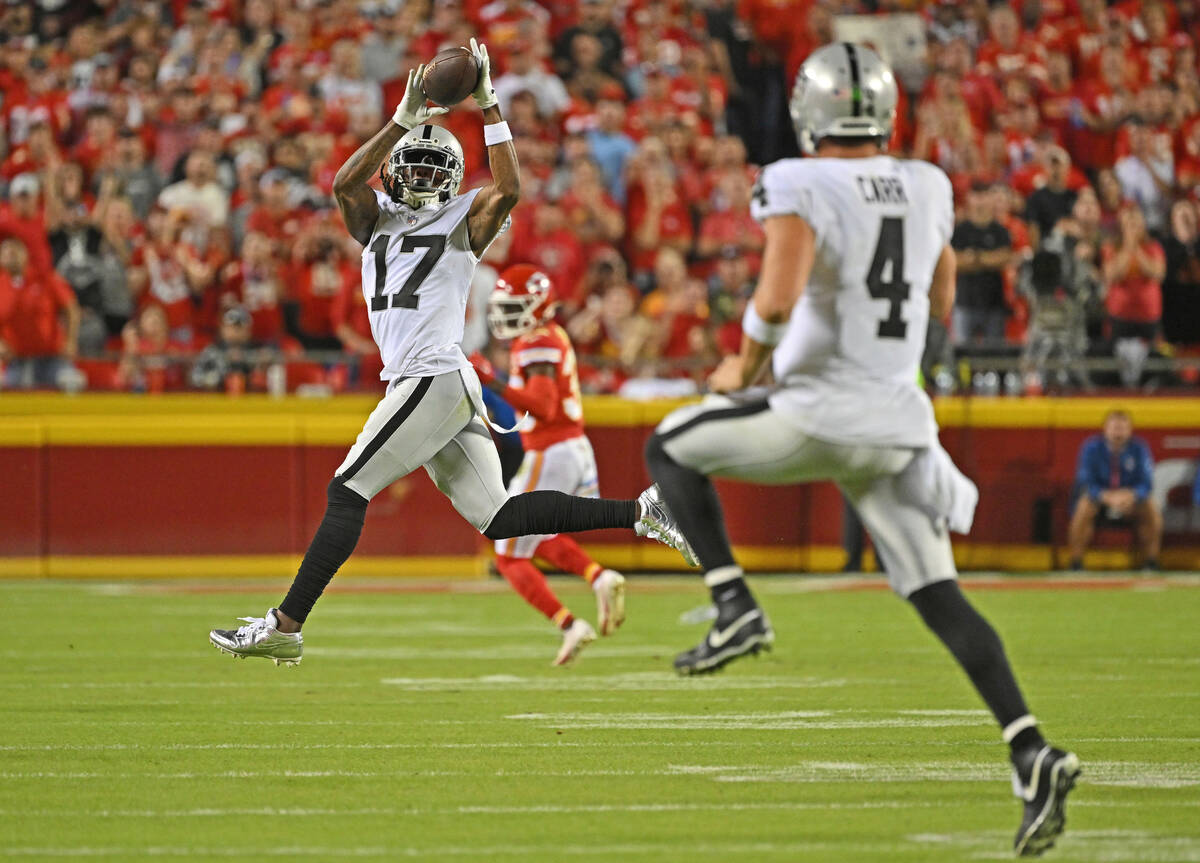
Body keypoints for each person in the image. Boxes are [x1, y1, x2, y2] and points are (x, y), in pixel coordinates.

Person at [641, 44, 1078, 857]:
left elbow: (775, 295)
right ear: (885, 110)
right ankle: (1031, 748)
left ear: (812, 111)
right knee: (938, 592)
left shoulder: (799, 179)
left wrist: (746, 364)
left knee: (669, 444)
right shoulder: (929, 183)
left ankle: (734, 603)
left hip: (822, 409)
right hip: (900, 423)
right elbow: (942, 297)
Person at [209, 42, 691, 666]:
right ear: (395, 168)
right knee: (499, 517)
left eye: (438, 169)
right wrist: (402, 120)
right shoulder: (372, 218)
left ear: (456, 180)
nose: (425, 177)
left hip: (430, 375)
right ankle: (643, 510)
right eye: (415, 164)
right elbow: (343, 181)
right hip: (431, 381)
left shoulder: (464, 219)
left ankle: (286, 623)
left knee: (347, 491)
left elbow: (509, 187)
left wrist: (489, 103)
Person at [469, 265, 626, 666]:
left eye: (516, 306)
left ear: (537, 307)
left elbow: (542, 405)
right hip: (569, 447)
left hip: (551, 449)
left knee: (508, 552)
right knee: (536, 538)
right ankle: (597, 580)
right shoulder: (545, 337)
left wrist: (492, 380)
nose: (506, 315)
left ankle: (571, 623)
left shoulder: (536, 342)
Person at [1067, 409, 1161, 571]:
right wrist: (1105, 496)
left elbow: (1146, 483)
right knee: (1084, 506)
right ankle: (1076, 562)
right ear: (1105, 429)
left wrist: (1131, 495)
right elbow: (1084, 480)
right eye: (1115, 428)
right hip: (1100, 501)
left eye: (1122, 428)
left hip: (1129, 501)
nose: (1118, 432)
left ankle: (1151, 562)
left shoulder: (1139, 448)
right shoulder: (1091, 448)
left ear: (1130, 430)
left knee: (1150, 507)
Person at [951, 180, 1013, 346]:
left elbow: (1004, 258)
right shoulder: (959, 231)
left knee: (994, 356)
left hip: (993, 304)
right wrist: (987, 259)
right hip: (965, 302)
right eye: (976, 195)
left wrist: (975, 258)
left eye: (984, 195)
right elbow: (954, 261)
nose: (980, 200)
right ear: (969, 198)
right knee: (961, 356)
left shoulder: (1000, 231)